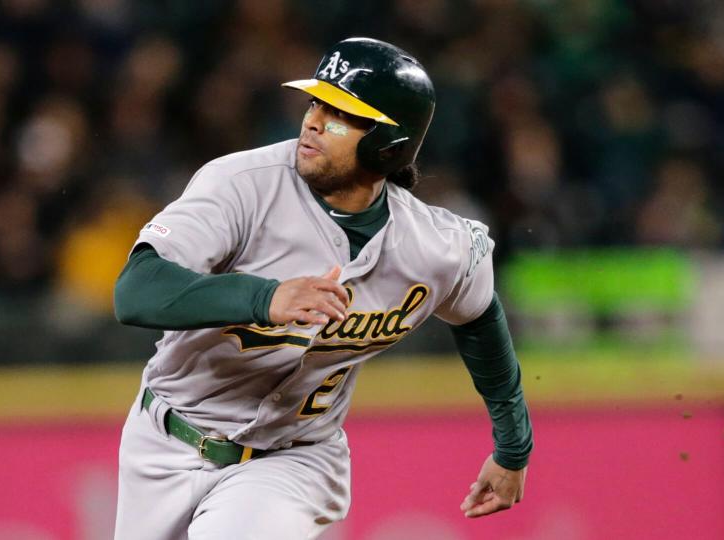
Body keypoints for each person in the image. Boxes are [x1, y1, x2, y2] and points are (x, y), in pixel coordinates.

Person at [112, 37, 533, 539]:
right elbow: (135, 290)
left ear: (387, 143)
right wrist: (264, 298)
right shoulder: (241, 184)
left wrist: (513, 449)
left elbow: (480, 321)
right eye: (315, 101)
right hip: (164, 442)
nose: (313, 120)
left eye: (339, 113)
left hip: (294, 459)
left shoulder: (437, 246)